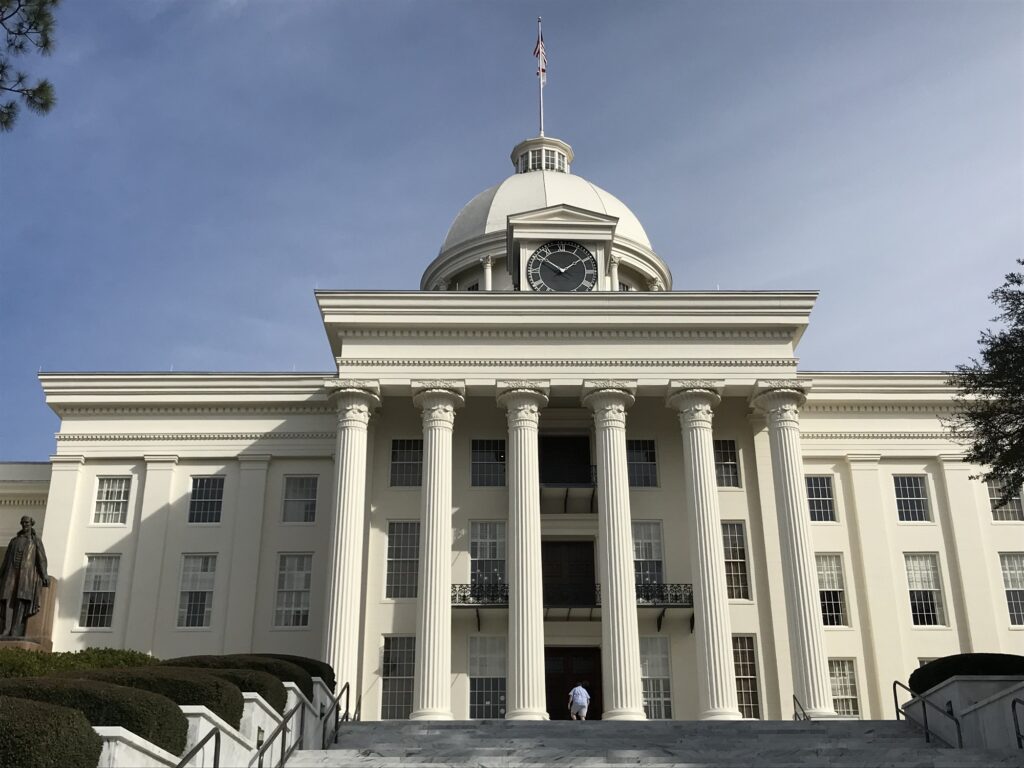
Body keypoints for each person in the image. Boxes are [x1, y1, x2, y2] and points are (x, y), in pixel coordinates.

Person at [0, 516, 49, 638]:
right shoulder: (14, 541)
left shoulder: (35, 541)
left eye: (26, 522)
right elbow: (6, 560)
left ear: (31, 524)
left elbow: (41, 559)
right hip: (11, 573)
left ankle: (15, 630)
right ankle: (6, 630)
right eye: (22, 522)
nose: (24, 524)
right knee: (8, 600)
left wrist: (44, 575)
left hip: (26, 575)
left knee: (20, 601)